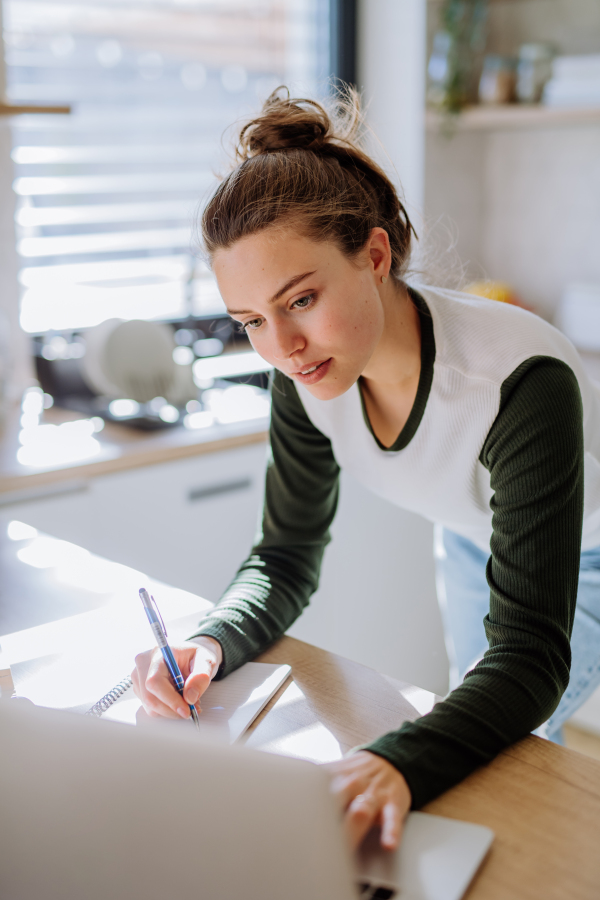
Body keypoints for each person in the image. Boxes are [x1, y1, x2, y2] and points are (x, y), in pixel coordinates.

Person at [132, 88, 600, 852]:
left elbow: (529, 657)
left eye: (302, 299)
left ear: (375, 256)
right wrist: (212, 643)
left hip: (590, 551)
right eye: (252, 321)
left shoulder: (517, 381)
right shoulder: (306, 376)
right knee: (475, 737)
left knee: (515, 749)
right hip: (468, 535)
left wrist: (395, 760)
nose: (282, 346)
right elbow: (283, 557)